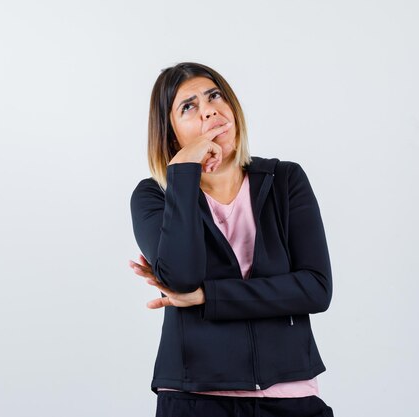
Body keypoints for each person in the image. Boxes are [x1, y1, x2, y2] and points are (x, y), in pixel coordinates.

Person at [128, 62, 335, 417]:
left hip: (291, 397)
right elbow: (181, 278)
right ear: (172, 132)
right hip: (194, 397)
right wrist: (182, 173)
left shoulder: (285, 180)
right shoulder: (156, 195)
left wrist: (209, 296)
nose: (208, 108)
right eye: (188, 106)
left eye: (214, 95)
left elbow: (315, 288)